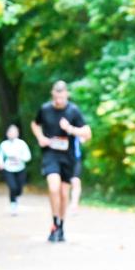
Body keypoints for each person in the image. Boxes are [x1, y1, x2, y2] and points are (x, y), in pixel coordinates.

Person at [31, 80, 92, 242]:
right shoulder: (45, 109)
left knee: (64, 193)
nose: (59, 101)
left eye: (62, 97)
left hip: (68, 156)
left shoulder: (73, 111)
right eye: (57, 97)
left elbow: (87, 133)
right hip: (50, 153)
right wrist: (40, 137)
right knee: (53, 188)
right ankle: (54, 223)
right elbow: (35, 124)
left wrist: (70, 129)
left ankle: (61, 226)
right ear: (53, 94)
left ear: (67, 95)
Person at [0, 124, 31, 215]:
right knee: (12, 187)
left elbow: (28, 156)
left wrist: (21, 158)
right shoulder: (3, 145)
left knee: (19, 188)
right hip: (8, 169)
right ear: (7, 133)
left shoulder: (22, 144)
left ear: (17, 133)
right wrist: (0, 163)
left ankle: (16, 198)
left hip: (20, 168)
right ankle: (13, 205)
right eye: (10, 132)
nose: (12, 134)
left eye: (14, 132)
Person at [69, 137, 84, 213]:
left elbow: (84, 139)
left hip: (75, 158)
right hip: (62, 157)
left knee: (76, 181)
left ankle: (74, 205)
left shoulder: (76, 126)